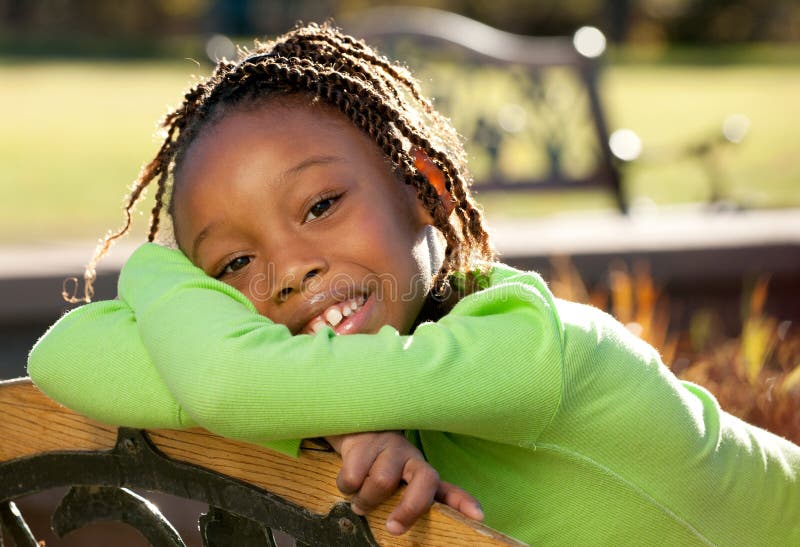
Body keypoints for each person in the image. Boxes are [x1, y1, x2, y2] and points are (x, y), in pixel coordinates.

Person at [28, 23, 799, 545]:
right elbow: (65, 357)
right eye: (232, 264)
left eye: (322, 206)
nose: (290, 270)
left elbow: (227, 381)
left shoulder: (532, 348)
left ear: (424, 187)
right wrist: (341, 417)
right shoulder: (379, 374)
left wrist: (156, 269)